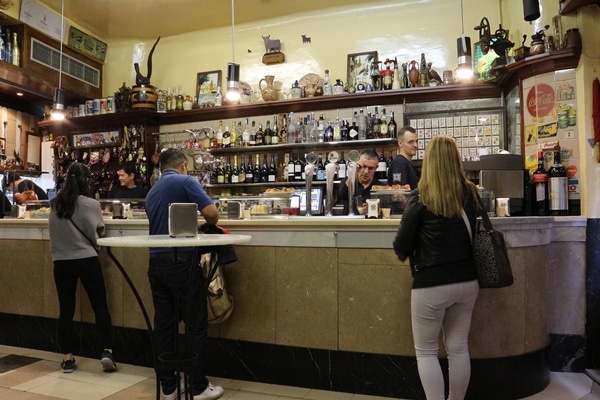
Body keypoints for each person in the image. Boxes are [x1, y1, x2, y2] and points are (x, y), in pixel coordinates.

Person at [393, 136, 480, 400]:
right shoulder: (470, 192)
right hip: (468, 281)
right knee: (459, 347)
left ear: (429, 161)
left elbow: (401, 246)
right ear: (456, 160)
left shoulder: (421, 196)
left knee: (427, 351)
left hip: (431, 283)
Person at [145, 148, 223, 400]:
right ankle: (198, 387)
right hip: (182, 261)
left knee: (164, 326)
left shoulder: (152, 191)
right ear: (182, 166)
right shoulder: (186, 181)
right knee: (195, 326)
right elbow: (212, 214)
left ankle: (169, 388)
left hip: (156, 262)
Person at [48, 162, 117, 374]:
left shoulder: (54, 203)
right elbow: (100, 230)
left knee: (66, 311)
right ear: (87, 180)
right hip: (86, 259)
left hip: (61, 262)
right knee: (100, 306)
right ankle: (107, 351)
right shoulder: (90, 204)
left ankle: (67, 358)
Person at [337, 149, 379, 215]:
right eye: (363, 167)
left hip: (370, 224)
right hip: (350, 223)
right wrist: (353, 173)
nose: (366, 172)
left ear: (376, 168)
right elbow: (340, 197)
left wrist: (373, 207)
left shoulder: (379, 187)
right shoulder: (346, 181)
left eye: (370, 168)